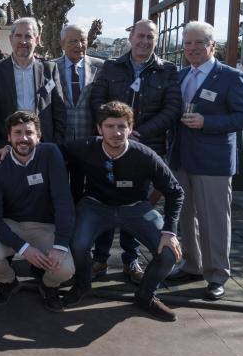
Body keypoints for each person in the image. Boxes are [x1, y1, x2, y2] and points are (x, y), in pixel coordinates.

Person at [63, 101, 184, 321]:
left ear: (130, 128)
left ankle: (146, 295)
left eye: (121, 126)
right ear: (99, 129)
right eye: (109, 126)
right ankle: (82, 285)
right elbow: (47, 151)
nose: (116, 133)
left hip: (135, 208)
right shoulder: (83, 147)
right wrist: (7, 148)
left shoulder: (145, 156)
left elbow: (176, 191)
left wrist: (170, 231)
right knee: (78, 244)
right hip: (95, 206)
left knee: (168, 253)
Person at [168, 21, 243, 300]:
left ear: (212, 46)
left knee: (214, 220)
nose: (192, 48)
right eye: (188, 43)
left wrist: (207, 121)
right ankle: (192, 265)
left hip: (213, 163)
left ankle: (217, 274)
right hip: (181, 159)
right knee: (186, 217)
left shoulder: (230, 77)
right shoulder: (181, 76)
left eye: (199, 43)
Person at [88, 19, 181, 284]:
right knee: (106, 197)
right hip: (111, 145)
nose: (144, 41)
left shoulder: (168, 70)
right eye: (140, 36)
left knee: (136, 202)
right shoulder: (111, 66)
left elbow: (172, 108)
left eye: (150, 37)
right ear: (130, 38)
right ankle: (101, 258)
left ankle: (131, 258)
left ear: (156, 39)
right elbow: (98, 99)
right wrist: (112, 131)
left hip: (147, 146)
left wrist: (139, 133)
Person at [0, 110, 75, 312]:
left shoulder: (50, 153)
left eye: (29, 133)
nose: (23, 138)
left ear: (38, 136)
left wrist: (61, 244)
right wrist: (24, 249)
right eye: (17, 132)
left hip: (45, 226)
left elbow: (63, 202)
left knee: (66, 269)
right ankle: (9, 282)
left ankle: (49, 286)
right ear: (9, 137)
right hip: (12, 225)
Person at [0, 17, 65, 151]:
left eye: (28, 36)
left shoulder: (49, 69)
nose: (23, 41)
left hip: (43, 146)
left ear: (37, 39)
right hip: (7, 148)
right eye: (18, 36)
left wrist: (54, 144)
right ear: (11, 39)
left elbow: (59, 111)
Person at [51, 24, 105, 201]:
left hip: (89, 142)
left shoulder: (101, 67)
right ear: (62, 43)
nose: (79, 45)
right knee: (57, 187)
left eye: (83, 40)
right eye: (73, 41)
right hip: (59, 140)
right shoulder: (49, 68)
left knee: (84, 190)